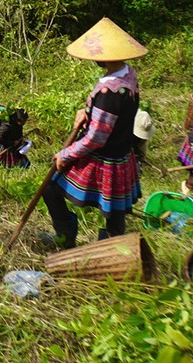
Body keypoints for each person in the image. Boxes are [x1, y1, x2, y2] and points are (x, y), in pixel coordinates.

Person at [42, 18, 146, 247]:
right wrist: (88, 113)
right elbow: (113, 117)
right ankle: (112, 246)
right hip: (122, 155)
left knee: (50, 187)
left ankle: (69, 237)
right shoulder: (129, 74)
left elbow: (96, 138)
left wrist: (65, 154)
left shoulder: (109, 92)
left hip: (103, 159)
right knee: (114, 211)